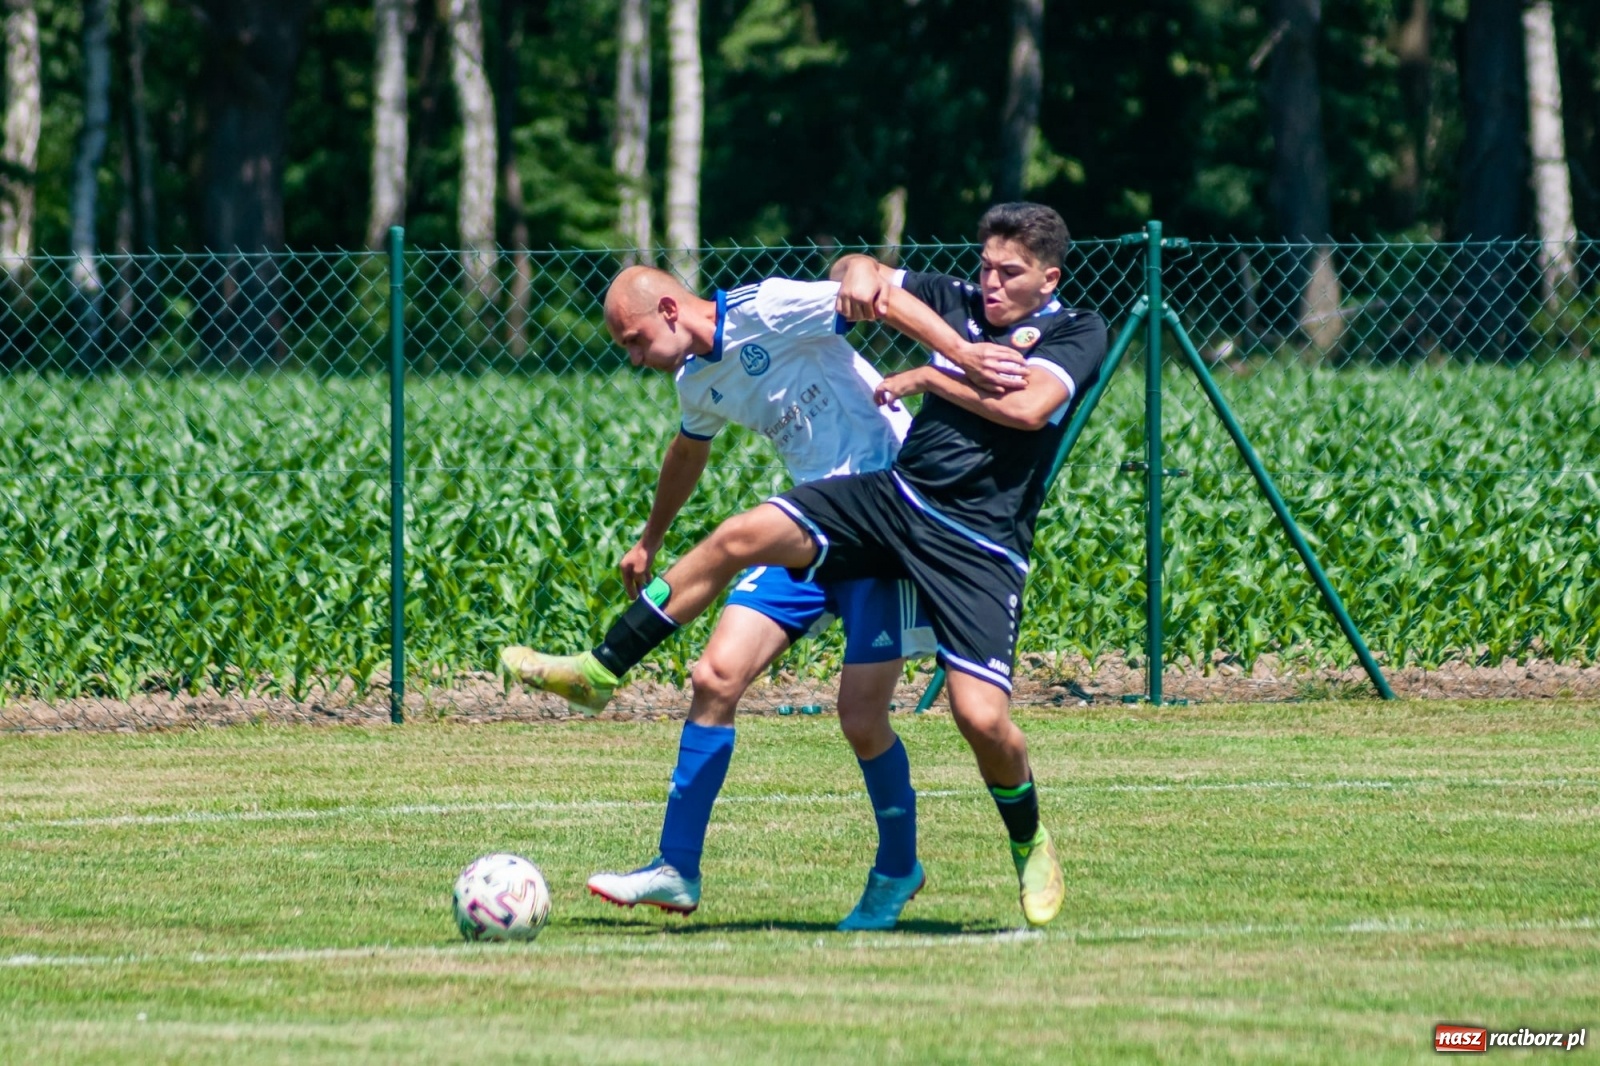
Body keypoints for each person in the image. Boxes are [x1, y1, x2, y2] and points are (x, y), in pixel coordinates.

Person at [504, 202, 1106, 927]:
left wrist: (930, 372)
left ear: (1049, 278)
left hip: (966, 539)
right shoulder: (950, 302)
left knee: (933, 718)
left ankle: (991, 846)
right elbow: (862, 279)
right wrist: (858, 267)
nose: (990, 283)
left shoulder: (1075, 329)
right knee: (719, 645)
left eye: (1007, 272)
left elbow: (1030, 407)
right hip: (878, 504)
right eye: (985, 267)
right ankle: (614, 702)